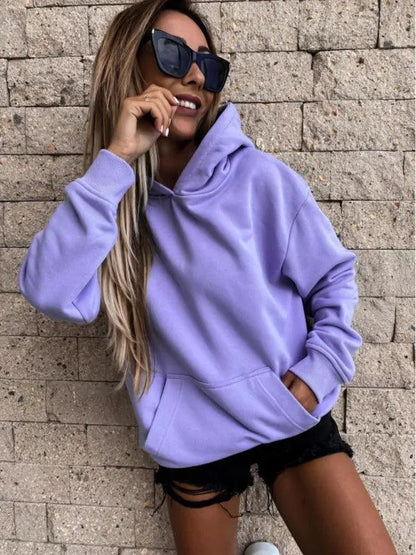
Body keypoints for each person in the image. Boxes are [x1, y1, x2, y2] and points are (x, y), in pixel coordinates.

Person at [18, 1, 398, 554]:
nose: (196, 75)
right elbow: (48, 290)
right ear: (129, 65)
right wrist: (117, 159)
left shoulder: (260, 180)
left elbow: (333, 277)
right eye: (173, 54)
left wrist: (318, 373)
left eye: (209, 65)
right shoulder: (113, 205)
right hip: (193, 431)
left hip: (283, 406)